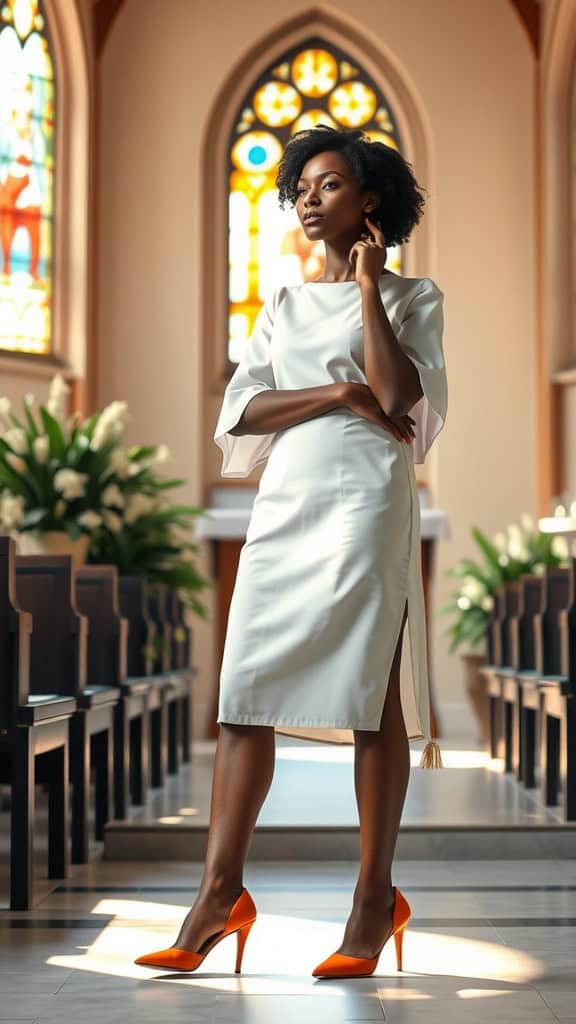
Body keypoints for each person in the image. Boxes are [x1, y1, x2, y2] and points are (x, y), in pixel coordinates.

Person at [135, 125, 448, 980]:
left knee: (369, 697)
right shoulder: (279, 304)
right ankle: (216, 896)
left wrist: (370, 292)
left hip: (364, 503)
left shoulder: (415, 296)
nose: (309, 199)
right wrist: (337, 390)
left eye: (330, 184)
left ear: (371, 199)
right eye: (302, 188)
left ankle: (372, 901)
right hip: (285, 506)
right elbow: (240, 412)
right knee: (243, 690)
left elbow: (401, 397)